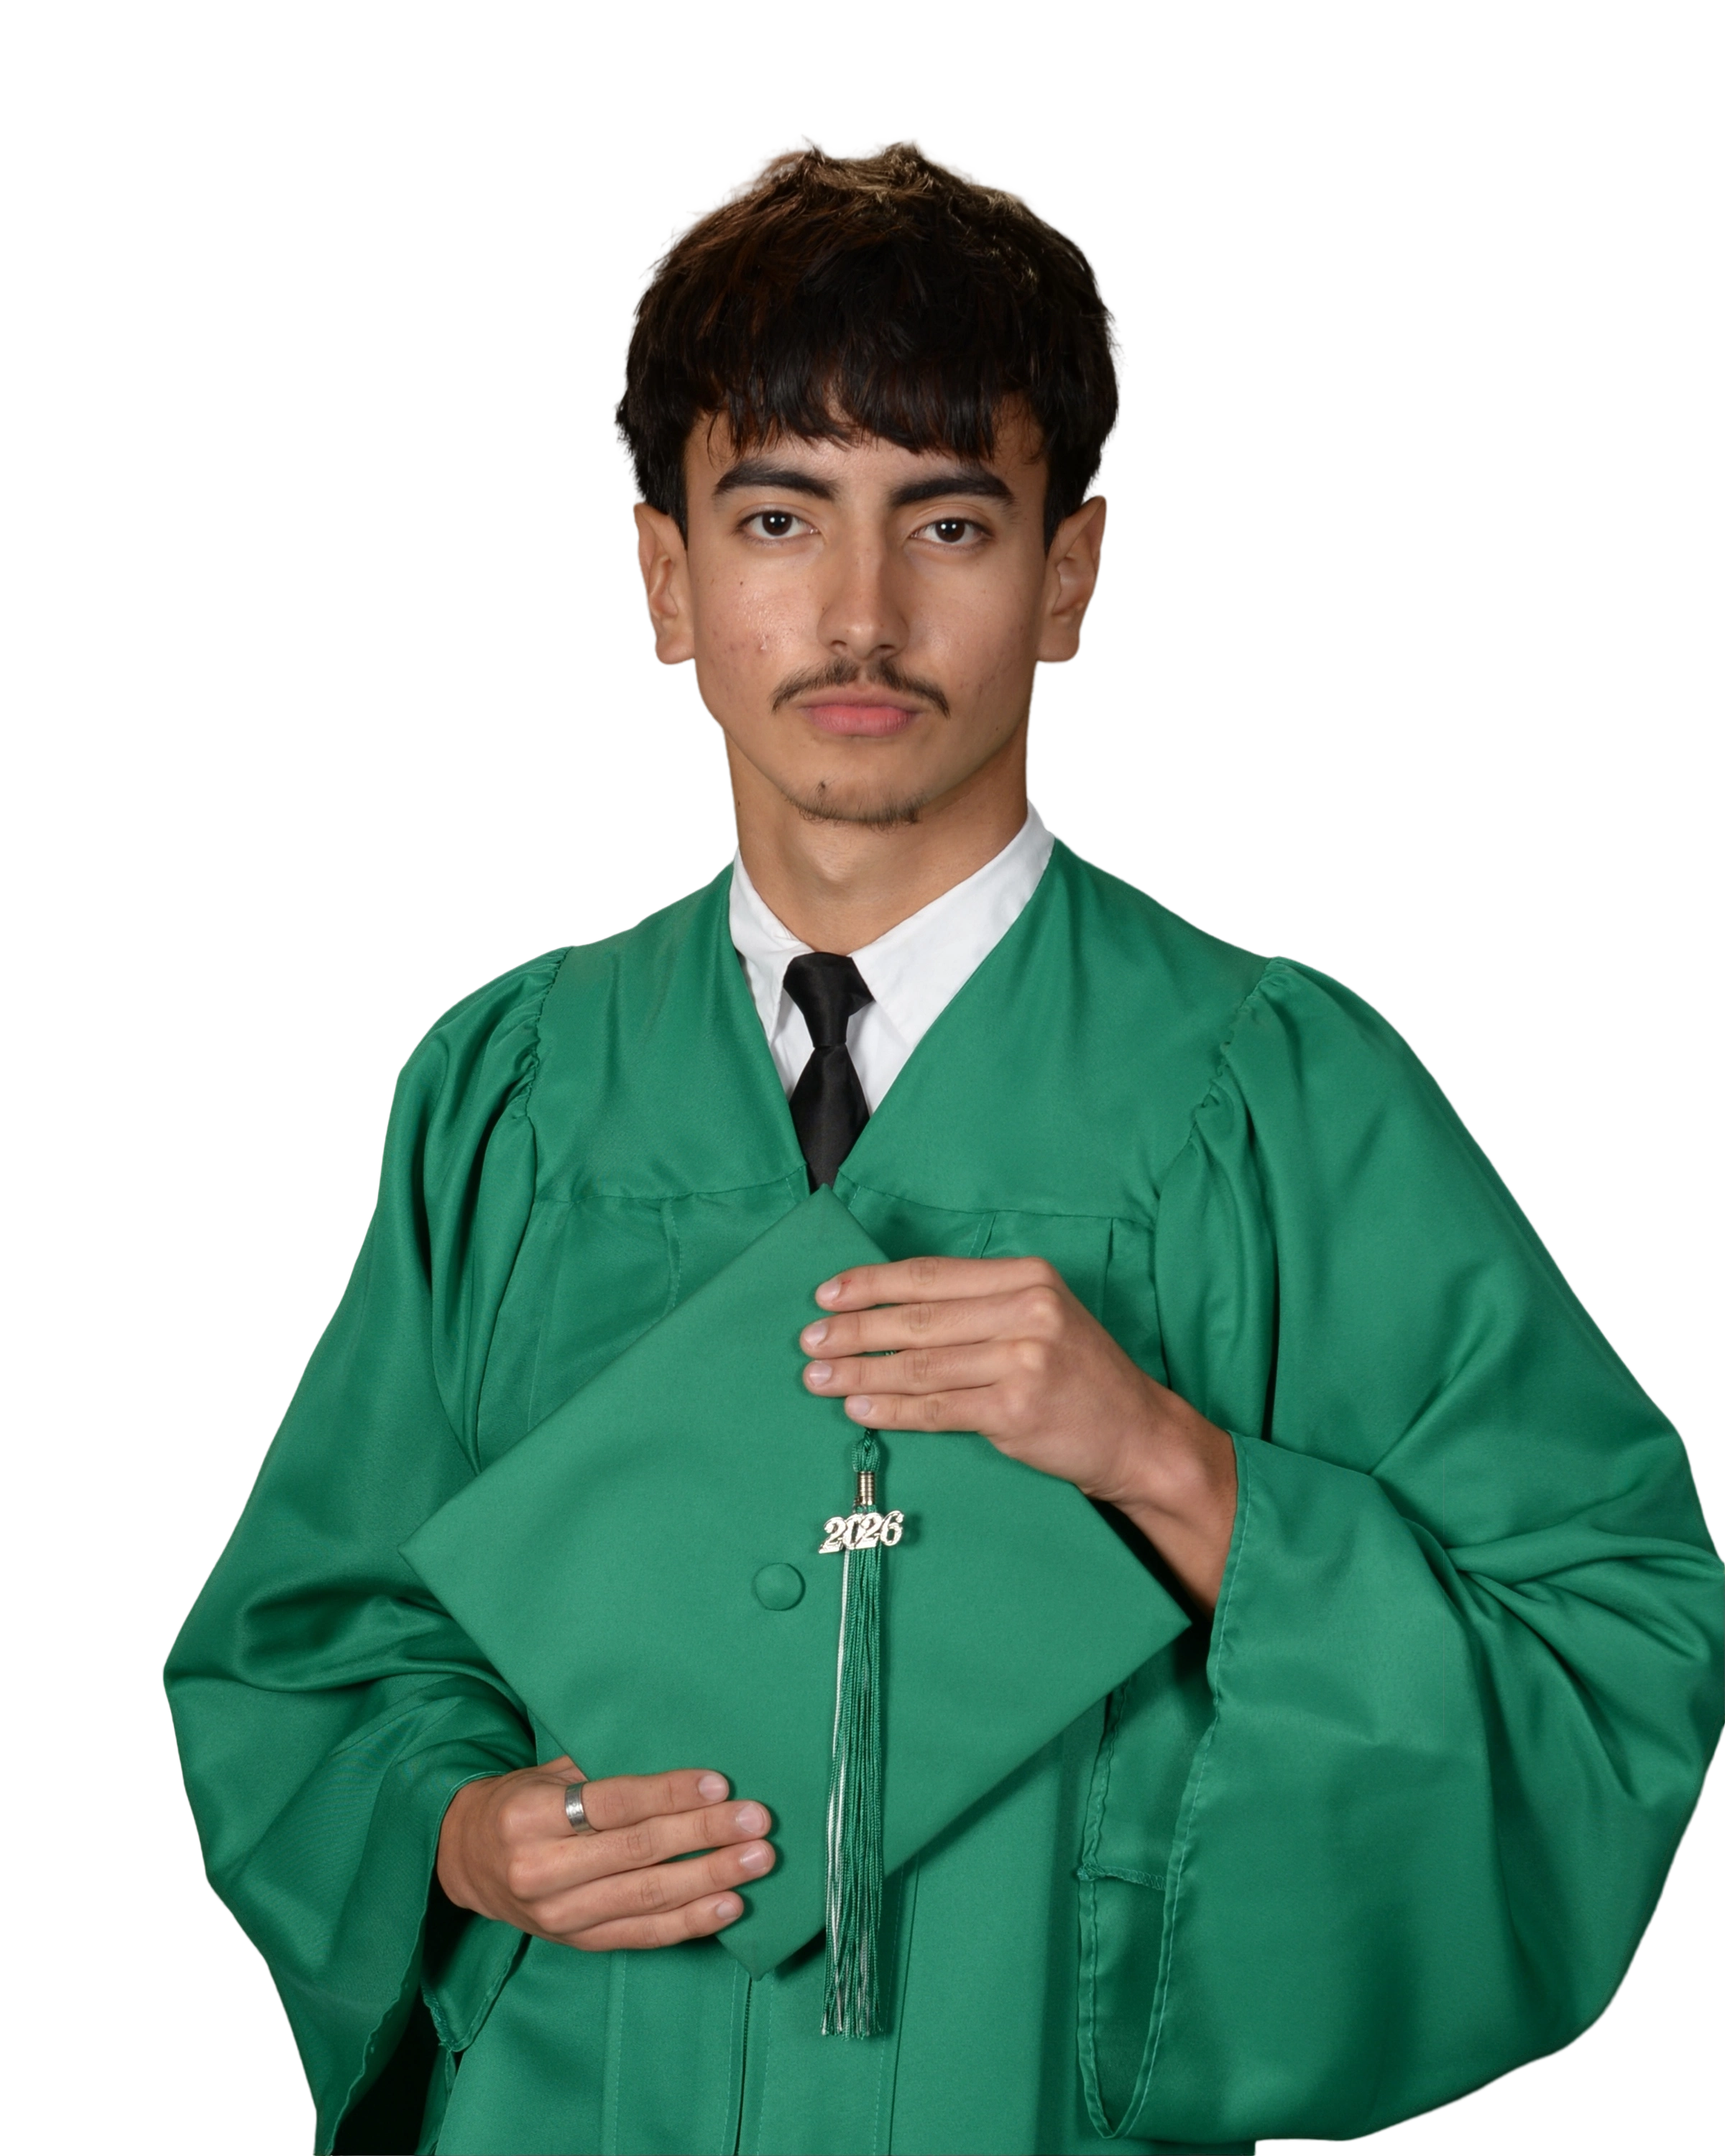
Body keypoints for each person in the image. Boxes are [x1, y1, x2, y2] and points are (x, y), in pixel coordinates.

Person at [162, 134, 1724, 2156]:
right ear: (667, 578)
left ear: (1071, 571)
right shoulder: (512, 1093)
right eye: (778, 517)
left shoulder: (1276, 1092)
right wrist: (461, 1837)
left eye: (953, 523)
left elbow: (1606, 1649)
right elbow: (313, 1661)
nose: (862, 614)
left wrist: (1174, 1467)